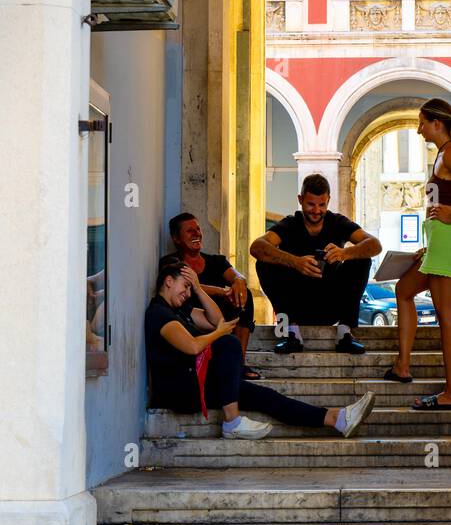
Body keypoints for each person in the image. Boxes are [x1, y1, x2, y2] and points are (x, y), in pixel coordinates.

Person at [145, 256, 376, 440]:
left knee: (265, 396)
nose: (186, 293)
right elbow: (194, 346)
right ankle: (232, 421)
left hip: (198, 384)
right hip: (179, 393)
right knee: (228, 343)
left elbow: (215, 320)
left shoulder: (179, 310)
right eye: (184, 286)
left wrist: (198, 289)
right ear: (168, 281)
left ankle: (337, 418)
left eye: (189, 288)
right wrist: (219, 334)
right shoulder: (159, 314)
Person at [389, 99, 451, 410]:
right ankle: (402, 366)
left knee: (447, 320)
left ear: (437, 124)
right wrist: (429, 245)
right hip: (440, 245)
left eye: (422, 123)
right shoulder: (444, 155)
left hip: (449, 242)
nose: (418, 129)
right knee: (403, 289)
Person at [250, 174, 381, 354]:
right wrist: (295, 262)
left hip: (331, 303)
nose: (317, 210)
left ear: (328, 201)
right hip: (297, 305)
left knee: (362, 260)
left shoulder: (337, 222)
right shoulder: (290, 224)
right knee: (264, 264)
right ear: (300, 200)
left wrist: (344, 253)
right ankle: (291, 333)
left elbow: (375, 245)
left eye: (322, 205)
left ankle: (345, 334)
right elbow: (257, 247)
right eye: (311, 204)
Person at [169, 212, 260, 379]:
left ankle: (239, 363)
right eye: (190, 231)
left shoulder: (216, 261)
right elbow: (186, 285)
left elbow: (237, 276)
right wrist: (221, 291)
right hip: (193, 319)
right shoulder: (171, 264)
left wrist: (239, 282)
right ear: (176, 238)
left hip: (222, 317)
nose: (197, 233)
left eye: (198, 229)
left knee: (243, 295)